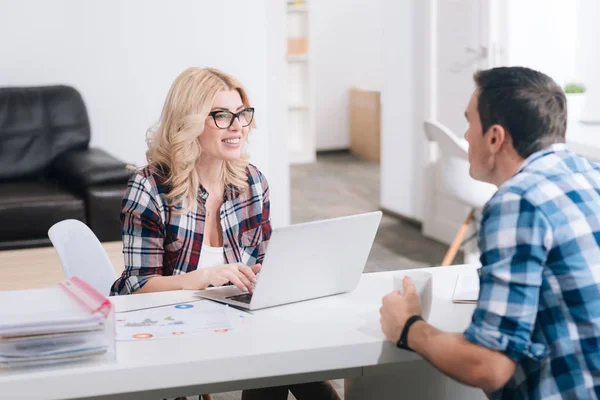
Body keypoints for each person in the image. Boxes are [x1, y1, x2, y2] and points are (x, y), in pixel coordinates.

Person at [110, 67, 340, 400]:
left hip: (236, 325)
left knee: (287, 359)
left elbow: (264, 262)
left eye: (242, 115)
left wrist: (280, 277)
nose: (237, 127)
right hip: (168, 331)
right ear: (189, 123)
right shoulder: (149, 188)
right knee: (279, 363)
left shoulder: (252, 183)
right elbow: (137, 287)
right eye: (221, 116)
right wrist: (206, 277)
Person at [380, 66, 600, 399]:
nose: (466, 136)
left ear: (495, 137)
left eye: (469, 122)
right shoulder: (590, 172)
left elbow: (490, 366)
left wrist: (407, 327)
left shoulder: (518, 201)